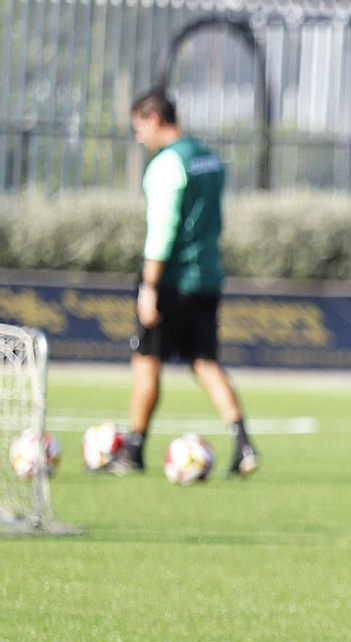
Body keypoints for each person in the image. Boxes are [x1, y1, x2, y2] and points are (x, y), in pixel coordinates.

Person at [109, 89, 257, 477]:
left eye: (138, 128)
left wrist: (149, 285)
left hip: (173, 279)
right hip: (207, 276)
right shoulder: (209, 159)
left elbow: (163, 229)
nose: (138, 137)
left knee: (146, 361)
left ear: (155, 119)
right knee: (205, 362)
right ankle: (243, 444)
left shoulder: (167, 165)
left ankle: (134, 451)